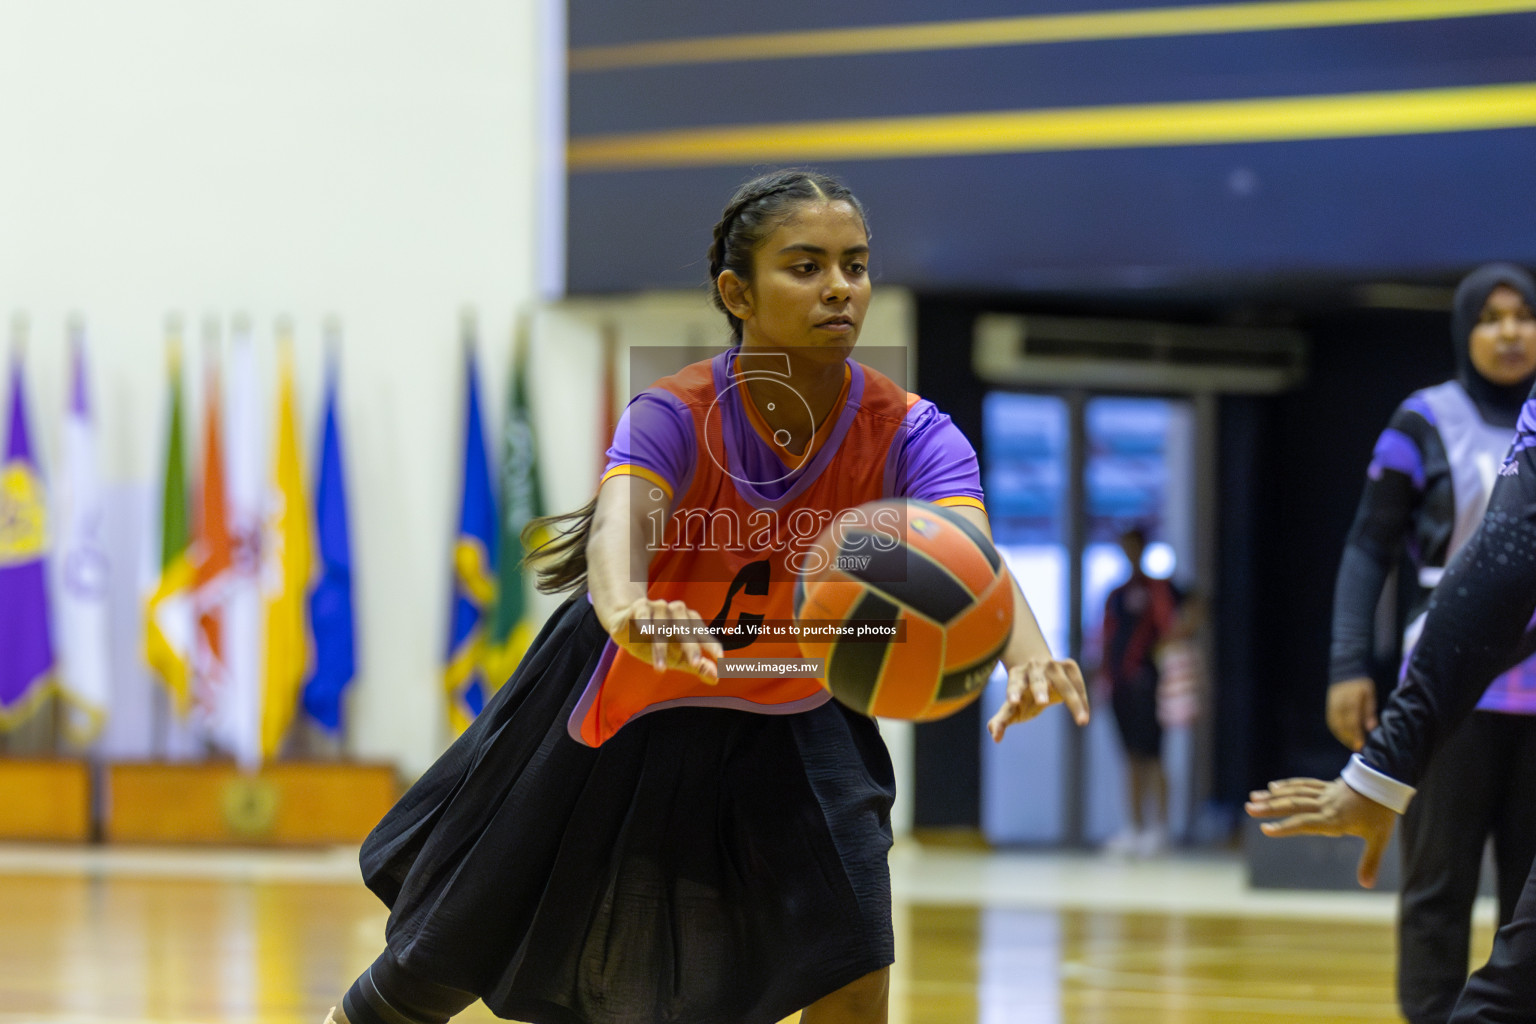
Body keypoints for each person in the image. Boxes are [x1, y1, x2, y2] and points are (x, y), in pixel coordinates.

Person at [324, 169, 1090, 1024]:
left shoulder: (911, 429)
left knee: (853, 960)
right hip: (633, 698)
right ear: (738, 291)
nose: (841, 287)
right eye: (806, 266)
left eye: (856, 264)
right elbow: (621, 534)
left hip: (794, 708)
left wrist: (1029, 652)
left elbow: (969, 557)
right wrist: (629, 610)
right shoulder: (676, 413)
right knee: (447, 956)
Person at [1247, 271, 1536, 1024]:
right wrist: (1347, 664)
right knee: (1436, 891)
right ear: (1464, 332)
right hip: (1452, 693)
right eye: (1492, 319)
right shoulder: (1423, 419)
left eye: (1526, 317)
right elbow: (1367, 546)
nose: (1510, 333)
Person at [1099, 526, 1179, 857]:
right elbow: (1104, 636)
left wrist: (1163, 652)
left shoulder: (1160, 589)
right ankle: (1134, 827)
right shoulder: (1116, 594)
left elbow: (1182, 618)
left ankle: (1159, 828)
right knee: (1130, 756)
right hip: (1119, 685)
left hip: (1149, 683)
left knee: (1154, 756)